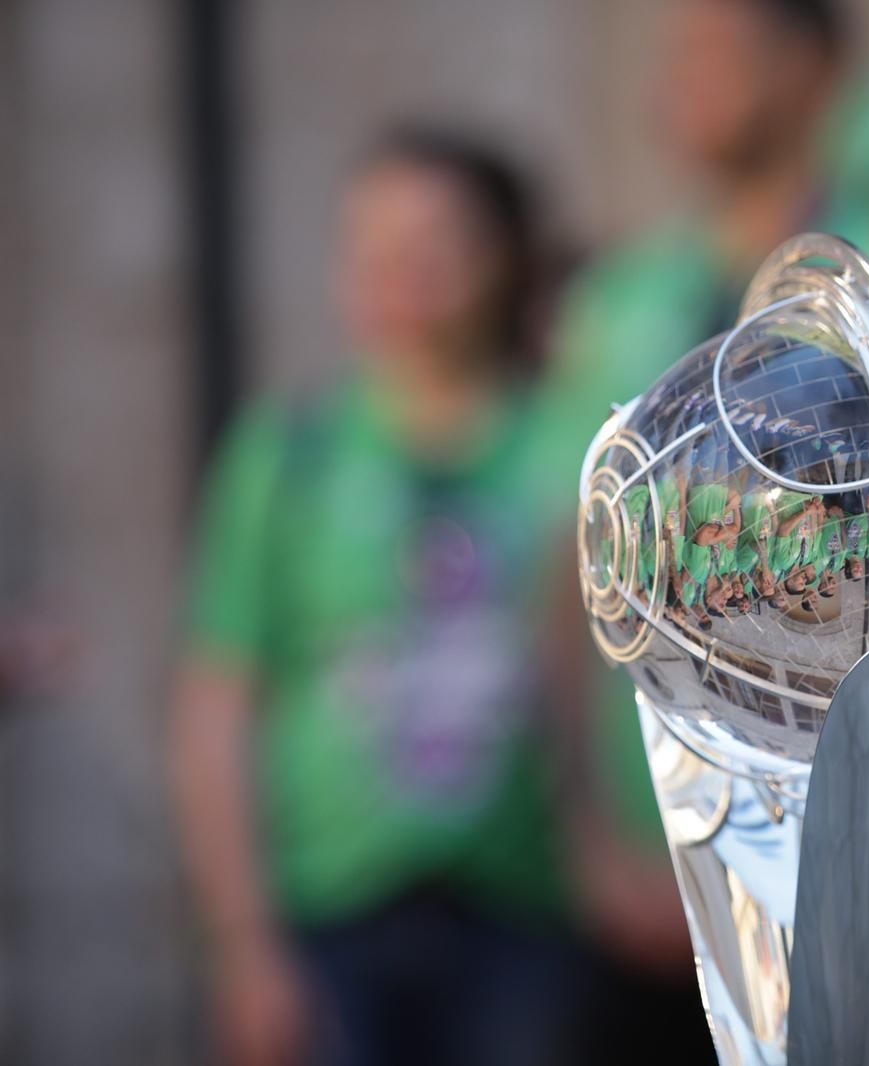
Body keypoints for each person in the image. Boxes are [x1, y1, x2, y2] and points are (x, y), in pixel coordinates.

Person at [170, 126, 602, 1066]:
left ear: (500, 258)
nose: (400, 271)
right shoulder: (290, 457)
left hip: (520, 917)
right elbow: (216, 707)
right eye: (371, 244)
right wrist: (243, 947)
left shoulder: (577, 452)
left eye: (433, 241)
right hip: (327, 917)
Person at [551, 0, 845, 414]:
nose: (688, 80)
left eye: (718, 52)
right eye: (680, 56)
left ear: (807, 64)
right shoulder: (621, 292)